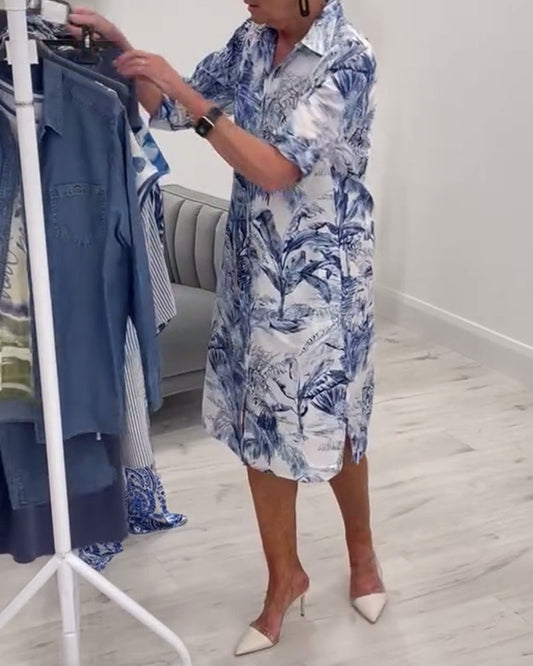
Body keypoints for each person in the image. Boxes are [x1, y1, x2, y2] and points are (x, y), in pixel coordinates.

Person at [69, 0, 386, 656]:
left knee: (336, 422)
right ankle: (284, 579)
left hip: (323, 283)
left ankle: (362, 556)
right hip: (250, 274)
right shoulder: (253, 37)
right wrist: (124, 49)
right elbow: (172, 108)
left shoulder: (349, 58)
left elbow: (276, 168)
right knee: (259, 428)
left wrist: (189, 96)